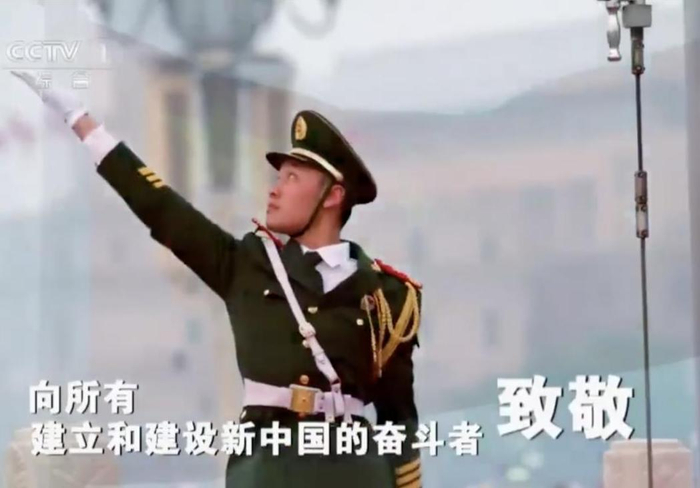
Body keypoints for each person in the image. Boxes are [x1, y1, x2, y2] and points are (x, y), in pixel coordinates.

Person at [11, 70, 424, 488]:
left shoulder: (389, 297)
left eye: (292, 178)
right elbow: (162, 208)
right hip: (267, 472)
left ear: (333, 195)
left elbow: (400, 421)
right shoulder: (246, 265)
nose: (275, 190)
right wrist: (81, 121)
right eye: (278, 177)